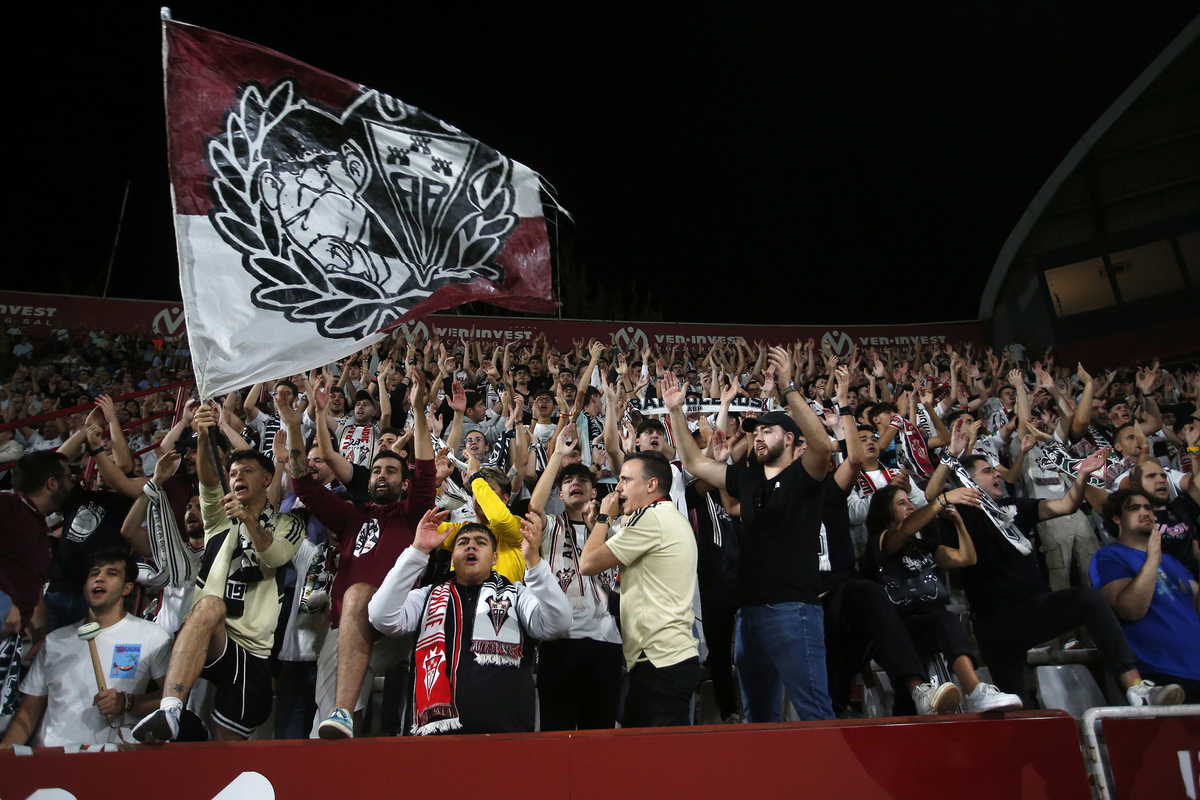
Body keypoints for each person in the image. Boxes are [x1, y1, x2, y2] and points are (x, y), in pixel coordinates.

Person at [668, 348, 836, 722]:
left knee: (814, 713)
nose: (758, 437)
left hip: (794, 610)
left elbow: (823, 445)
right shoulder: (746, 480)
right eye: (755, 431)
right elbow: (695, 463)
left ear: (791, 439)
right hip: (749, 615)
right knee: (758, 718)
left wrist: (790, 388)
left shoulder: (804, 476)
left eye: (768, 430)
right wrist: (676, 412)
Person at [943, 451, 1183, 707]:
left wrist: (1081, 476)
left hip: (1034, 609)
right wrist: (949, 474)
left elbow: (1066, 505)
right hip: (994, 624)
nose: (998, 474)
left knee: (1088, 598)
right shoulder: (955, 514)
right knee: (1011, 708)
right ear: (967, 481)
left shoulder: (1014, 507)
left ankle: (1137, 690)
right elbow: (932, 498)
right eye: (988, 471)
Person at [132, 406, 306, 742]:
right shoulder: (217, 515)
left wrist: (249, 519)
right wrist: (204, 433)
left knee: (226, 751)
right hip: (212, 637)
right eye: (234, 472)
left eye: (247, 471)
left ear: (267, 478)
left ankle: (196, 738)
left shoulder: (290, 522)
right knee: (211, 606)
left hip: (253, 648)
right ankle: (170, 709)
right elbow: (209, 478)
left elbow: (275, 555)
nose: (237, 477)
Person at [288, 369, 436, 739]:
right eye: (376, 470)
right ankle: (340, 726)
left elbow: (427, 473)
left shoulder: (412, 514)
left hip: (393, 628)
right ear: (367, 481)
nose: (382, 475)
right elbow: (304, 486)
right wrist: (297, 425)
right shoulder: (351, 515)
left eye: (391, 470)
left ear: (404, 483)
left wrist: (417, 413)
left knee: (357, 595)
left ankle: (343, 711)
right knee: (324, 733)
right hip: (345, 630)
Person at [368, 511, 571, 734]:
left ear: (495, 558)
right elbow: (381, 616)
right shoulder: (427, 596)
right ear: (452, 557)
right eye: (463, 543)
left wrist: (534, 563)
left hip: (507, 739)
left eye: (480, 542)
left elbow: (559, 623)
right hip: (433, 742)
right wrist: (417, 551)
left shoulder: (517, 594)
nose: (470, 547)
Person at [1, 549, 171, 747]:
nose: (99, 578)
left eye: (111, 573)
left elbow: (171, 699)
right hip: (54, 758)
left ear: (127, 588)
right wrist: (4, 754)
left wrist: (127, 703)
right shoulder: (55, 640)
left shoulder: (152, 636)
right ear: (84, 588)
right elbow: (29, 710)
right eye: (94, 573)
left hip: (112, 760)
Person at [580, 450, 699, 727]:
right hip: (662, 659)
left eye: (625, 480)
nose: (618, 487)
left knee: (662, 759)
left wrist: (603, 519)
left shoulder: (652, 519)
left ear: (651, 485)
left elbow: (587, 562)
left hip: (662, 661)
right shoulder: (659, 517)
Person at [529, 427, 622, 730]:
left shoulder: (612, 529)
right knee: (558, 731)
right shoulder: (549, 526)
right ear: (560, 494)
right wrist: (556, 456)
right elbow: (534, 508)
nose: (575, 484)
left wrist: (603, 523)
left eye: (583, 480)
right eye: (568, 481)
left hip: (604, 641)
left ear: (594, 491)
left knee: (600, 730)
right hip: (559, 641)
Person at [1090, 489, 1198, 702]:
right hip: (1160, 674)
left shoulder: (1172, 561)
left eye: (1148, 507)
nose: (1145, 511)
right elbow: (1129, 610)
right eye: (1134, 508)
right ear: (1116, 518)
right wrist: (1151, 561)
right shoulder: (1108, 556)